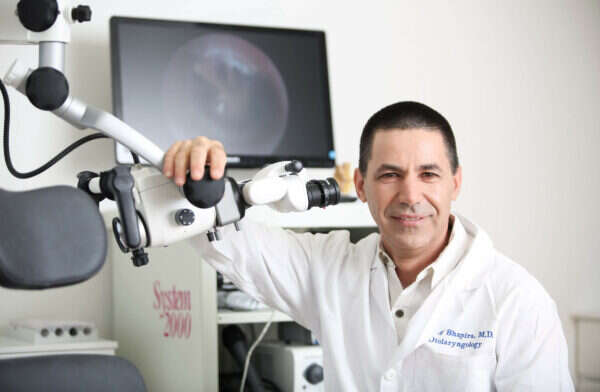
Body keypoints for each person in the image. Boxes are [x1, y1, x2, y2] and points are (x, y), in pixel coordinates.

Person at [162, 101, 574, 391]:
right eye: (390, 175)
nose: (410, 196)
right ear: (360, 185)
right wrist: (193, 176)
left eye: (428, 174)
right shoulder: (329, 269)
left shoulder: (517, 302)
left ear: (455, 182)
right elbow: (227, 242)